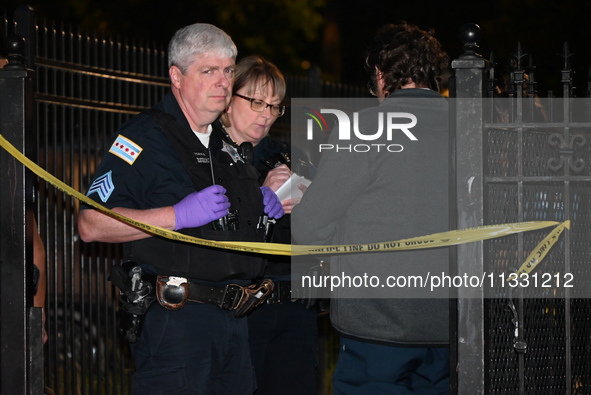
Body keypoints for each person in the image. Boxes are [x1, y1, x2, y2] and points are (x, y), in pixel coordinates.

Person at [77, 24, 283, 394]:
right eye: (209, 71)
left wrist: (262, 205)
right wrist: (176, 216)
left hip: (235, 322)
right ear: (177, 76)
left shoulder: (226, 144)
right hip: (177, 324)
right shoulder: (144, 137)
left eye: (228, 70)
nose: (223, 82)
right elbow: (91, 224)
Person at [291, 22, 451, 394]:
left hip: (376, 325)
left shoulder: (364, 127)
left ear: (381, 74)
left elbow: (310, 228)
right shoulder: (469, 128)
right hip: (452, 323)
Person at [220, 55, 320, 395]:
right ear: (227, 99)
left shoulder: (291, 157)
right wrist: (258, 193)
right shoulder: (205, 155)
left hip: (294, 306)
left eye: (275, 106)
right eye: (257, 102)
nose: (266, 114)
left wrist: (309, 202)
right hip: (237, 309)